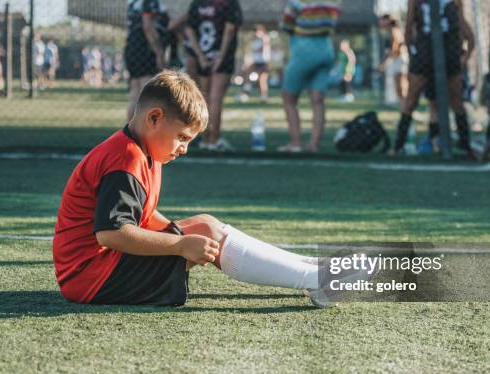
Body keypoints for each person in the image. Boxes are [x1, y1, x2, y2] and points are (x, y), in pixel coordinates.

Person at [53, 70, 326, 308]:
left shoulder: (140, 150)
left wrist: (179, 233)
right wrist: (180, 243)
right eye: (182, 138)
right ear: (154, 118)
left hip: (98, 269)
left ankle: (308, 268)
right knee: (204, 231)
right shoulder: (125, 159)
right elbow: (111, 234)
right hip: (92, 278)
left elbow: (142, 215)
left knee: (205, 225)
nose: (184, 149)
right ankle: (315, 279)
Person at [391, 0, 474, 157]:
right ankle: (401, 145)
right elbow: (409, 27)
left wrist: (463, 57)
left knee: (453, 102)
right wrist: (412, 54)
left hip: (443, 53)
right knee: (415, 101)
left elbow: (464, 28)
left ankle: (463, 146)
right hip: (429, 53)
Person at [279, 0, 342, 153]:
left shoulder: (298, 2)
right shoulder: (333, 2)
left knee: (289, 99)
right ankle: (314, 145)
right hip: (326, 50)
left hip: (304, 51)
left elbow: (286, 26)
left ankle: (296, 143)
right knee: (318, 100)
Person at [186, 0, 243, 151]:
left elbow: (190, 30)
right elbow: (230, 29)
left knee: (205, 98)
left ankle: (205, 138)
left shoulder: (198, 3)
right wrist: (221, 56)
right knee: (216, 98)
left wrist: (200, 56)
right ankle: (214, 139)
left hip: (204, 53)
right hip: (221, 55)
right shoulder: (228, 3)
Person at [125, 0, 169, 120]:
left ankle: (131, 132)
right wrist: (159, 52)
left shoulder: (133, 2)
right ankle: (142, 130)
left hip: (131, 46)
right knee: (146, 92)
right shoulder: (149, 2)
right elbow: (147, 26)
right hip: (144, 48)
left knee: (135, 92)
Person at [377, 15, 408, 105]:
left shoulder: (394, 31)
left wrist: (385, 63)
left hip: (400, 59)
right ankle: (404, 108)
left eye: (382, 20)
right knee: (398, 87)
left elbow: (394, 49)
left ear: (387, 21)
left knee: (401, 86)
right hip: (396, 60)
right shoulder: (390, 31)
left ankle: (406, 107)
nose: (380, 23)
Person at [242, 25, 271, 102]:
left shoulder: (265, 38)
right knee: (247, 75)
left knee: (262, 80)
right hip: (255, 61)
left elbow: (265, 49)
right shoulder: (254, 40)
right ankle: (246, 92)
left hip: (263, 61)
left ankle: (263, 96)